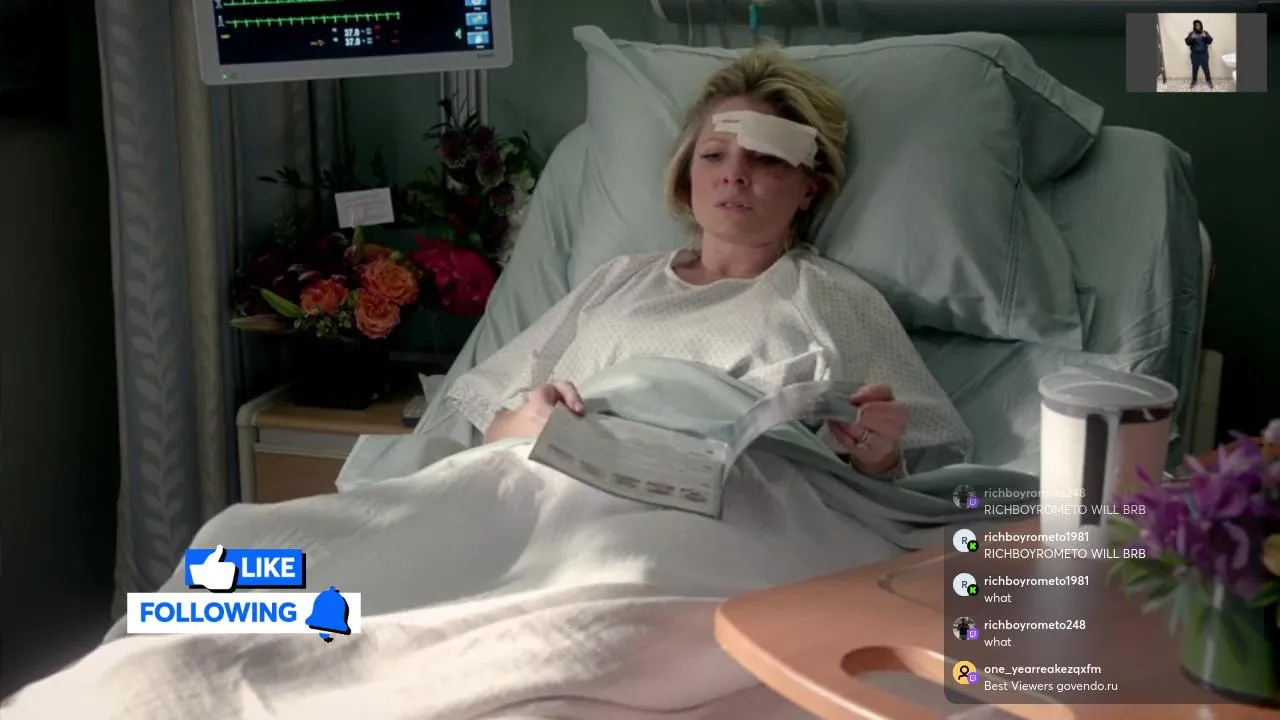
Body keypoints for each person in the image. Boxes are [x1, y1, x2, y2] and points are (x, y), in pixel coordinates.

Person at [447, 45, 973, 479]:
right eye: (714, 154)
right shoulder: (618, 279)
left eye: (766, 158)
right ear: (687, 174)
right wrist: (531, 421)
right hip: (554, 491)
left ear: (809, 190)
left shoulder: (829, 299)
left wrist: (877, 455)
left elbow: (926, 477)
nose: (734, 175)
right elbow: (492, 425)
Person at [1185, 19, 1214, 88]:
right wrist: (1192, 38)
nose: (1197, 27)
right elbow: (1187, 42)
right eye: (1196, 25)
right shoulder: (1192, 33)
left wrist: (1206, 36)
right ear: (1194, 26)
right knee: (1195, 68)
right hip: (1195, 54)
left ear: (1201, 25)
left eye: (1199, 25)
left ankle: (1209, 81)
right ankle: (1194, 81)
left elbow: (1210, 41)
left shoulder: (1205, 32)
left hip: (1204, 54)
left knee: (1206, 68)